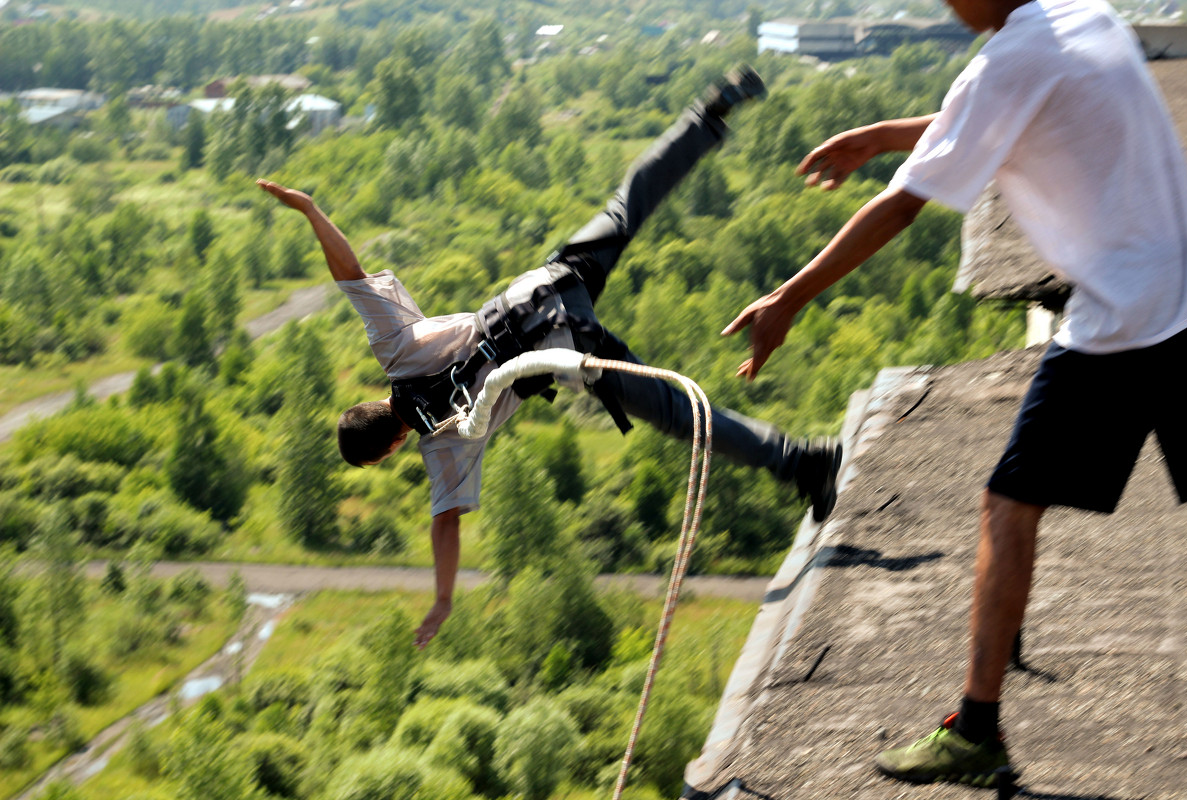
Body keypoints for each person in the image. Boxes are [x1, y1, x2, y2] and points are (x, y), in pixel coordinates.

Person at [723, 0, 1187, 788]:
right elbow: (985, 113)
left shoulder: (1007, 62)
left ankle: (976, 731)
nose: (944, 3)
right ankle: (976, 725)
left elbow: (903, 205)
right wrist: (880, 136)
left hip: (1125, 317)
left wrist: (788, 300)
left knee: (1008, 506)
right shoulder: (1085, 15)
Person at [258, 66, 842, 652]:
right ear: (368, 403)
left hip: (569, 347)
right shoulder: (395, 351)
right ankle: (708, 115)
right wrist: (310, 210)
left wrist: (441, 600)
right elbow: (351, 276)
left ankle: (802, 462)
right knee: (626, 206)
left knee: (681, 414)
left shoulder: (444, 445)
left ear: (390, 448)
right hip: (543, 288)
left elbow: (445, 526)